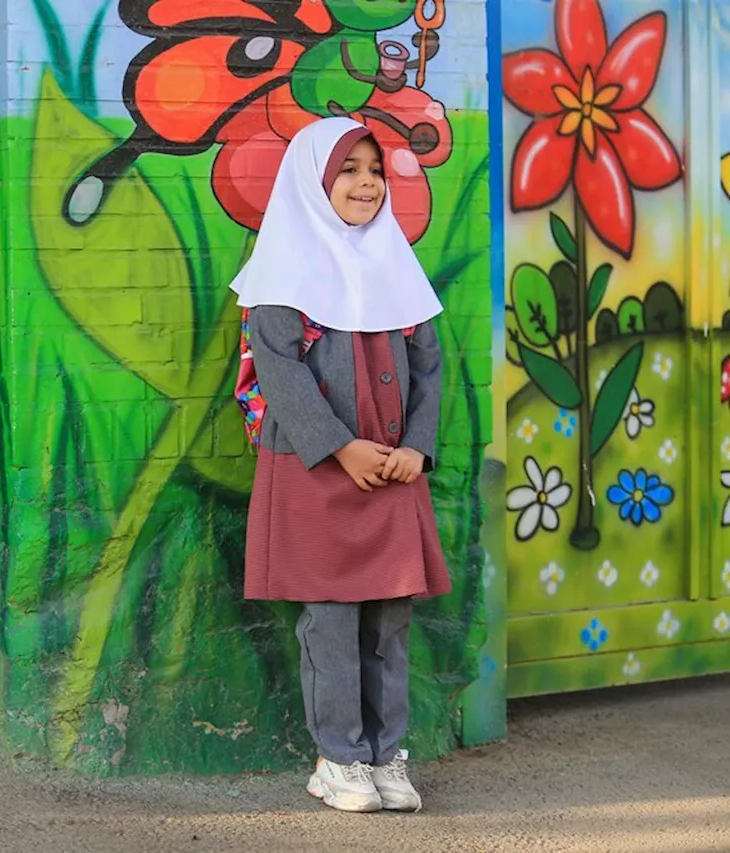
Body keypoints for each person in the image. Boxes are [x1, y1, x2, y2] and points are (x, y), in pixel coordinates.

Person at [232, 117, 449, 814]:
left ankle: (388, 755)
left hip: (394, 473)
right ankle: (340, 758)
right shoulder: (280, 275)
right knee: (329, 621)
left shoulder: (396, 264)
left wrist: (418, 444)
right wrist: (340, 446)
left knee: (388, 620)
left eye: (374, 170)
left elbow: (430, 367)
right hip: (318, 473)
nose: (364, 183)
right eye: (347, 170)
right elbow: (281, 375)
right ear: (312, 181)